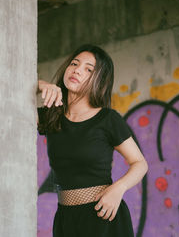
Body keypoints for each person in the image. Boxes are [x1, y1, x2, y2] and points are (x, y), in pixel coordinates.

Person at [37, 44, 148, 237]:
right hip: (65, 218)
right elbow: (8, 98)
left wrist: (118, 189)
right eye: (74, 63)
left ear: (99, 80)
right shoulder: (51, 116)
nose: (77, 70)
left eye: (89, 69)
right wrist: (40, 85)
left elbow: (140, 163)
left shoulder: (107, 119)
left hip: (104, 217)